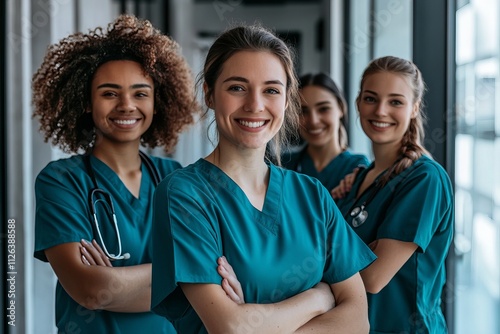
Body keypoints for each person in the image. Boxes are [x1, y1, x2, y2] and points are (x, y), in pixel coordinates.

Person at [150, 24, 376, 334]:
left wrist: (258, 321)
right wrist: (319, 298)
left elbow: (358, 321)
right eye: (237, 87)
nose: (255, 105)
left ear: (286, 101)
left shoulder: (312, 195)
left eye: (271, 90)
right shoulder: (184, 195)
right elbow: (231, 327)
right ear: (210, 94)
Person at [32, 14, 197, 333]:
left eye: (140, 93)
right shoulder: (62, 181)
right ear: (86, 102)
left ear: (156, 102)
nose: (126, 105)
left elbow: (206, 277)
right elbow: (90, 290)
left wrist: (117, 280)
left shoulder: (177, 179)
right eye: (109, 93)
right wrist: (177, 274)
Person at [331, 56, 454, 333]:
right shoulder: (360, 179)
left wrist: (338, 256)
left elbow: (373, 277)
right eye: (371, 98)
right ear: (358, 103)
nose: (381, 111)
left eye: (396, 101)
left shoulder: (424, 179)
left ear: (414, 108)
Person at [282, 72, 369, 191]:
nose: (313, 121)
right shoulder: (283, 164)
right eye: (303, 111)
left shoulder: (357, 167)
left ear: (341, 108)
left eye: (323, 109)